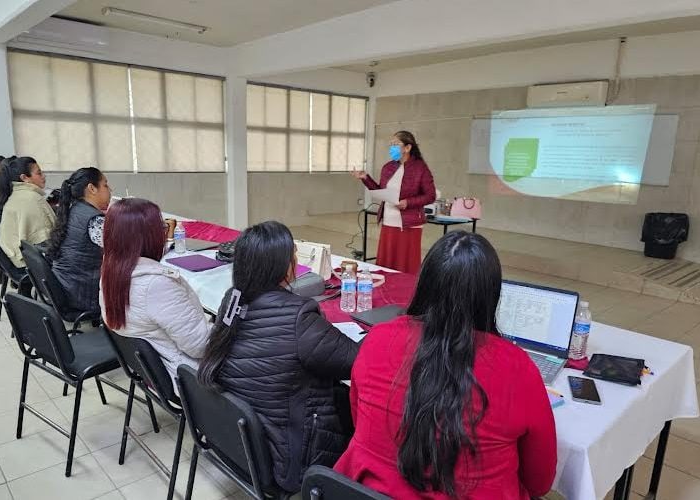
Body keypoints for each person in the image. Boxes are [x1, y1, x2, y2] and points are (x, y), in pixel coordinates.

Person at [334, 232, 557, 499]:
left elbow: (361, 421)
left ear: (424, 283)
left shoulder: (379, 339)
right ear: (491, 296)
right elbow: (539, 481)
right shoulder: (517, 367)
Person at [198, 221, 359, 494]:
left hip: (237, 441)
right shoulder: (298, 317)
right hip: (290, 457)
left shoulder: (232, 300)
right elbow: (357, 362)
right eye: (292, 254)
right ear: (283, 266)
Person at [99, 198, 210, 386]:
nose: (165, 231)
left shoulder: (111, 271)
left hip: (157, 372)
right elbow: (200, 346)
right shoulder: (156, 285)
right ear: (146, 236)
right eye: (161, 225)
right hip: (188, 378)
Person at [351, 130, 435, 274]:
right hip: (389, 220)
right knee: (387, 262)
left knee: (405, 263)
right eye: (391, 144)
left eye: (396, 144)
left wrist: (408, 202)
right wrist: (365, 178)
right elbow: (380, 190)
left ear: (407, 148)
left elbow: (430, 195)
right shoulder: (388, 167)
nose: (392, 148)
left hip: (409, 224)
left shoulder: (420, 168)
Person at [47, 167, 112, 315]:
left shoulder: (73, 209)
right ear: (92, 189)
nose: (110, 190)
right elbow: (120, 251)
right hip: (82, 293)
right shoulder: (94, 220)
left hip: (66, 285)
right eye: (105, 185)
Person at [0, 157, 56, 268]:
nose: (44, 176)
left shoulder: (16, 194)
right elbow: (45, 241)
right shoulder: (32, 199)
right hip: (30, 264)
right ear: (24, 178)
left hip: (16, 256)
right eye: (39, 173)